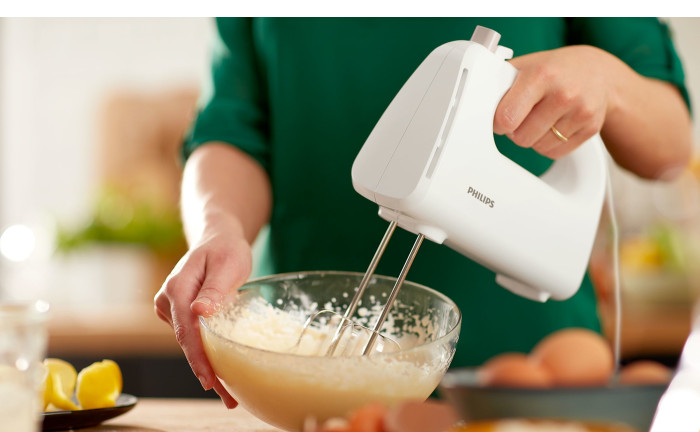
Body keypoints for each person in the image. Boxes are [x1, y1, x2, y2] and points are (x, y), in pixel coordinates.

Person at [155, 18, 693, 408]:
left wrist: (606, 79)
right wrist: (218, 229)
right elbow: (231, 128)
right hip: (304, 357)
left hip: (532, 366)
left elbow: (671, 147)